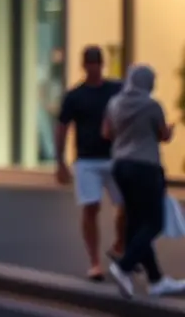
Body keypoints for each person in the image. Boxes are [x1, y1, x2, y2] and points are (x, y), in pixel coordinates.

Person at [104, 64, 185, 298]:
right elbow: (162, 135)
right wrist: (169, 131)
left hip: (120, 165)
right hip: (146, 167)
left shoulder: (114, 103)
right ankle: (124, 266)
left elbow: (107, 133)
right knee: (154, 222)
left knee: (137, 222)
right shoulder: (151, 105)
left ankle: (156, 279)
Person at [56, 45, 125, 281]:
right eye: (90, 64)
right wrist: (60, 161)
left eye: (97, 63)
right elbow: (63, 127)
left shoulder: (116, 89)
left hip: (114, 156)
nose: (94, 68)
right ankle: (95, 262)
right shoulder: (75, 96)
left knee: (126, 205)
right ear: (84, 66)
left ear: (101, 65)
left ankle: (119, 245)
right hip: (87, 160)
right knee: (91, 207)